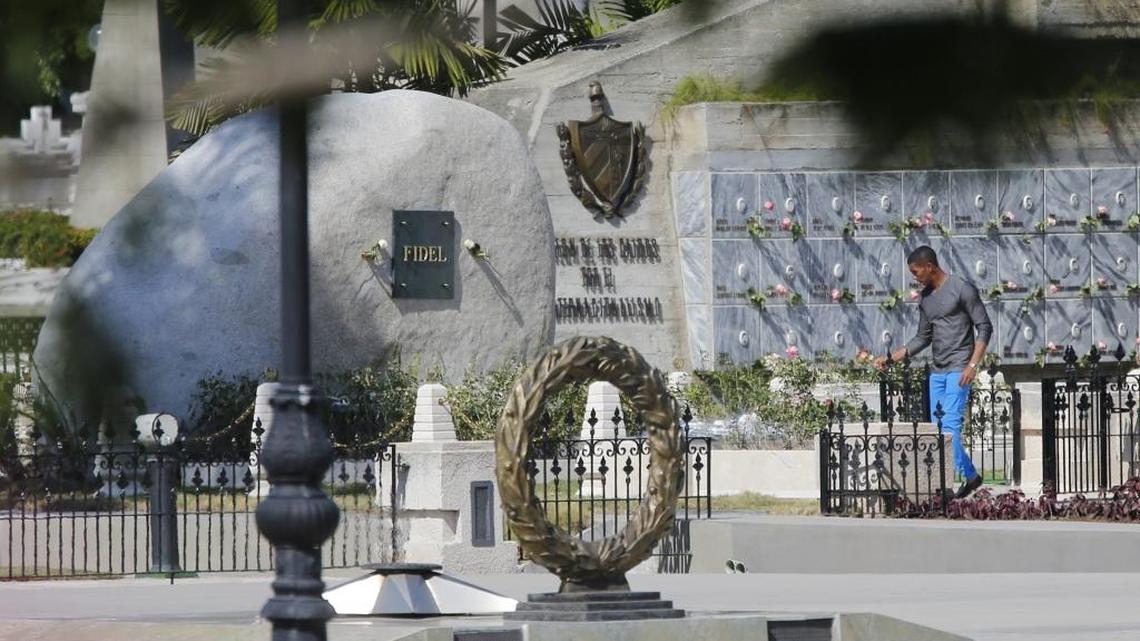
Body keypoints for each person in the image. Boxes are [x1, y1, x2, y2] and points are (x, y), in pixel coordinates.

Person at [874, 245, 992, 499]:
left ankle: (960, 480)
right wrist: (890, 359)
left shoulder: (961, 288)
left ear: (929, 266)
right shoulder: (926, 299)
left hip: (960, 368)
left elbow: (984, 327)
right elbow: (922, 338)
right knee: (937, 431)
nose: (915, 277)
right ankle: (968, 477)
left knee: (949, 428)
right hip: (937, 372)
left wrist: (973, 365)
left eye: (916, 272)